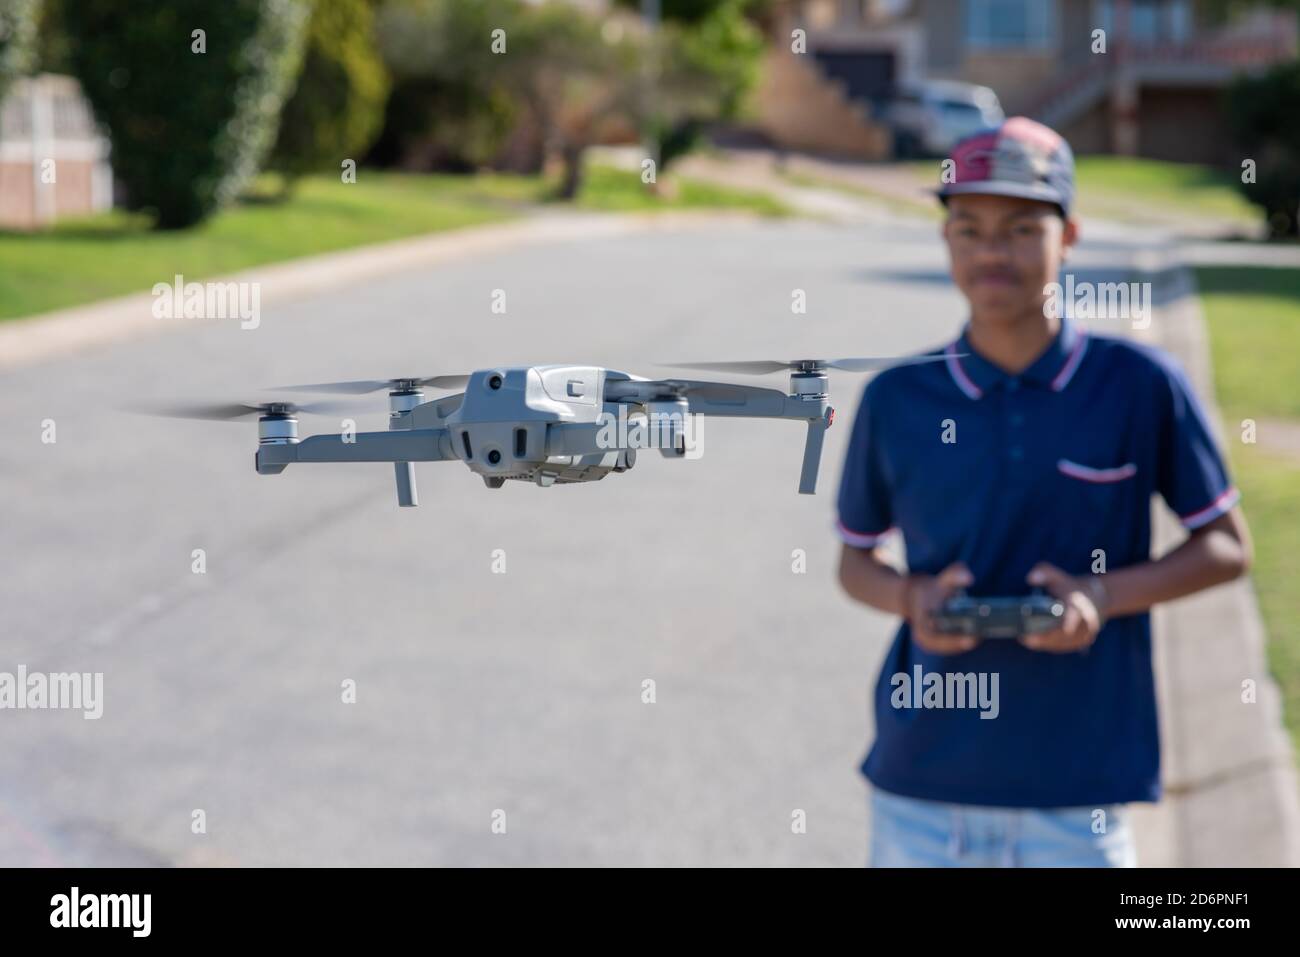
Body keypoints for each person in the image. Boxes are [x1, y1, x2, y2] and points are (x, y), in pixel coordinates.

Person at [835, 117, 1253, 867]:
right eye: (968, 228)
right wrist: (911, 600)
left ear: (1070, 236)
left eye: (1022, 227)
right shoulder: (897, 398)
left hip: (1080, 794)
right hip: (922, 790)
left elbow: (1224, 547)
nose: (992, 251)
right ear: (946, 240)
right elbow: (854, 560)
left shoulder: (1140, 386)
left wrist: (1102, 594)